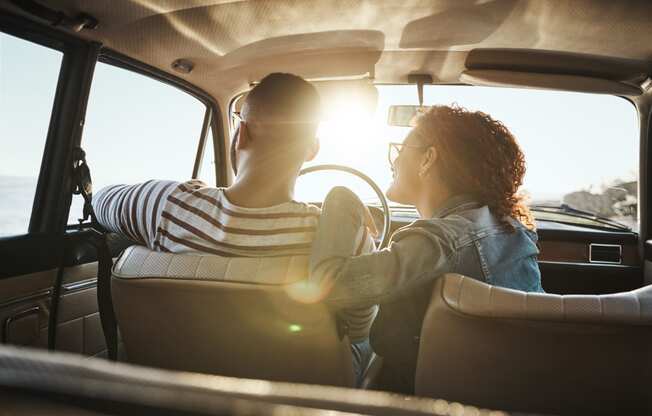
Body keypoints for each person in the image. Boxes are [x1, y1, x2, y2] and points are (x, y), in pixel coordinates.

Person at [91, 72, 377, 383]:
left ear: (241, 133)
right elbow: (360, 327)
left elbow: (101, 201)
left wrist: (187, 196)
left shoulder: (167, 205)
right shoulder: (344, 236)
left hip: (181, 400)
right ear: (312, 150)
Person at [308, 104, 544, 394]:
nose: (393, 162)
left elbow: (328, 285)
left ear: (428, 158)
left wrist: (342, 201)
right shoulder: (512, 231)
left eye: (400, 150)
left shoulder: (439, 240)